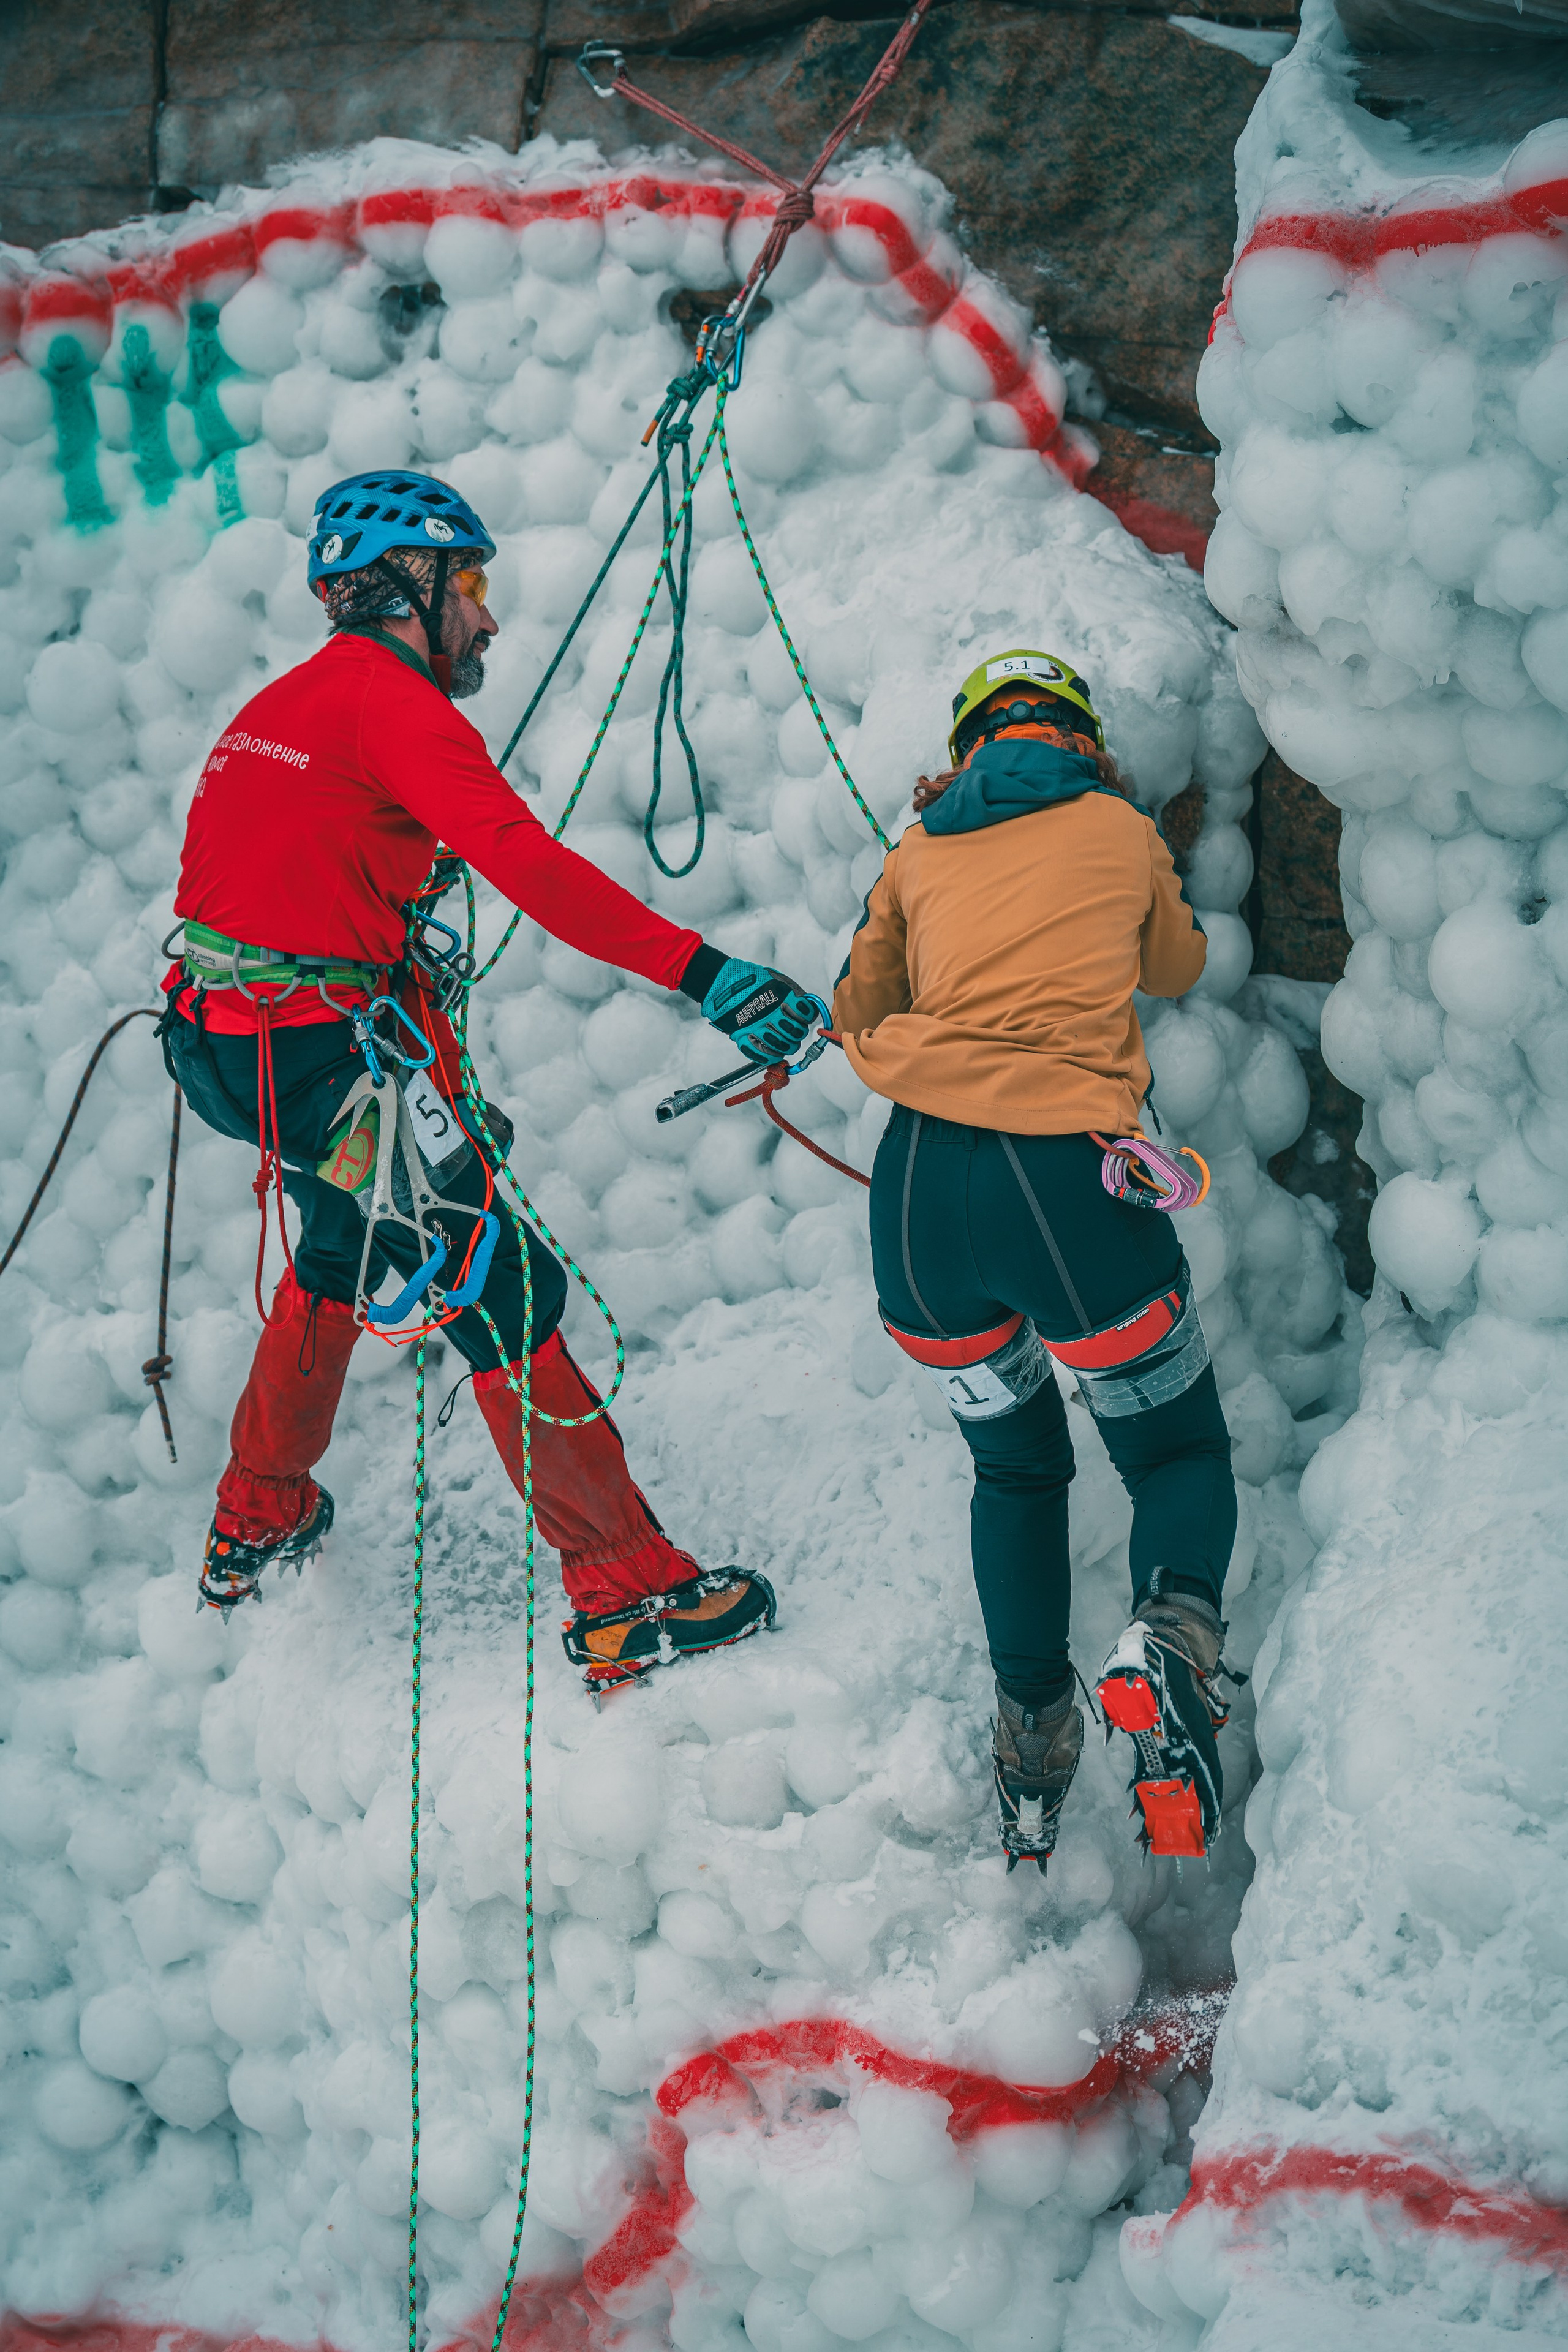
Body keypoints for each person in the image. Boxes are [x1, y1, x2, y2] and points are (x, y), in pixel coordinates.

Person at [162, 469, 821, 1692]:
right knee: (495, 1280)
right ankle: (628, 1595)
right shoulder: (394, 707)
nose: (487, 617)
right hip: (317, 1061)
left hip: (228, 1047)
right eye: (468, 585)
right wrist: (703, 969)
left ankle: (258, 1513)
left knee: (341, 1249)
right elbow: (525, 861)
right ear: (410, 588)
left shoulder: (293, 699)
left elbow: (281, 858)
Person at [831, 649, 1241, 1869]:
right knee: (1170, 1444)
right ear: (1079, 738)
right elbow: (1175, 969)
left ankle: (1030, 1754)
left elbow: (856, 1009)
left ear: (966, 749)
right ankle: (1166, 1649)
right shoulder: (1115, 827)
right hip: (1060, 1188)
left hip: (915, 1208)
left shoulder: (915, 849)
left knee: (1015, 1472)